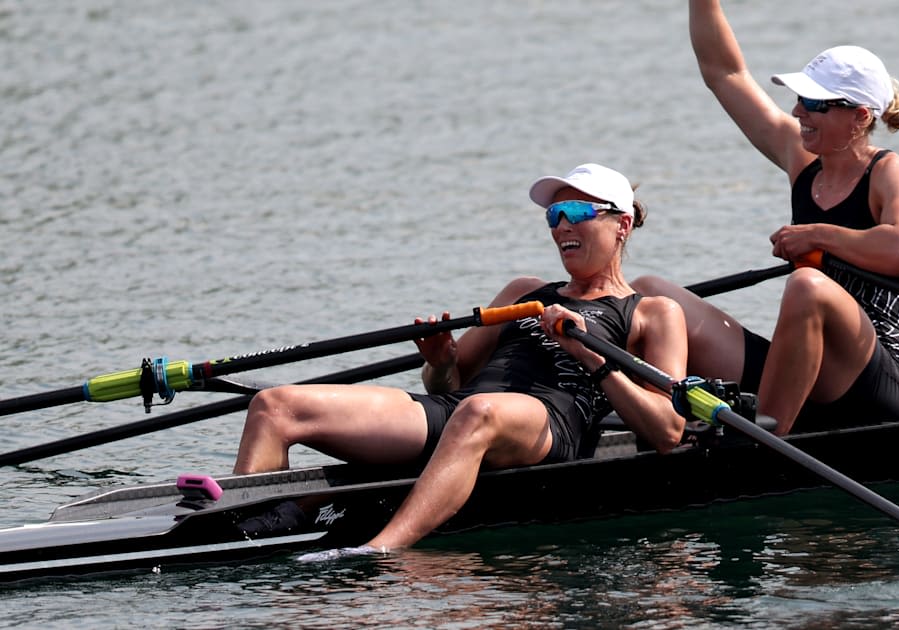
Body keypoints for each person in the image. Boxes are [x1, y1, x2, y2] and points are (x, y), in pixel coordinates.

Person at [232, 163, 688, 557]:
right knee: (276, 406)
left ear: (621, 224)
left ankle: (380, 551)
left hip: (551, 424)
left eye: (579, 213)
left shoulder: (652, 312)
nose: (563, 226)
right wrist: (441, 360)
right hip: (464, 412)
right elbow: (446, 387)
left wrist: (591, 356)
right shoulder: (523, 292)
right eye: (555, 215)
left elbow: (667, 431)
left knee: (478, 413)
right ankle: (237, 531)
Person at [633, 1, 899, 434]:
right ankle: (665, 426)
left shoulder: (891, 172)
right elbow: (725, 73)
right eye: (798, 99)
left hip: (876, 382)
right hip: (801, 367)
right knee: (650, 295)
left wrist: (819, 235)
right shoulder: (801, 156)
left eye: (814, 103)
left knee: (808, 285)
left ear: (860, 117)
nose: (797, 112)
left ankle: (765, 434)